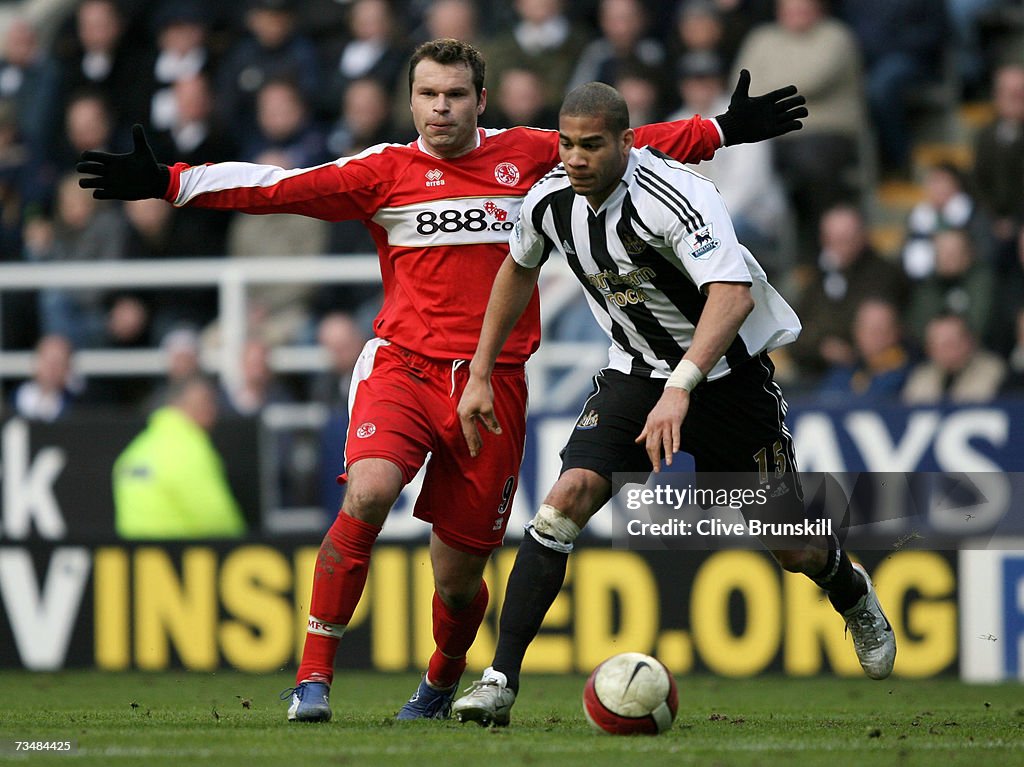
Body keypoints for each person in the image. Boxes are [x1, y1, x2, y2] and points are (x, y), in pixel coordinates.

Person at [77, 38, 806, 724]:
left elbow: (631, 148)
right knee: (368, 489)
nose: (441, 107)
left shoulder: (531, 157)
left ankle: (442, 673)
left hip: (494, 385)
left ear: (480, 99)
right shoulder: (382, 170)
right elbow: (278, 187)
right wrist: (172, 182)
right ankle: (312, 677)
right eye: (428, 93)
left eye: (455, 93)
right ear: (413, 98)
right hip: (403, 364)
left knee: (458, 577)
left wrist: (721, 130)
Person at [451, 82, 894, 727]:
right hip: (634, 376)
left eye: (592, 145)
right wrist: (482, 370)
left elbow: (732, 296)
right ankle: (499, 681)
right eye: (566, 143)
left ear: (628, 142)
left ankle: (851, 592)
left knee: (791, 547)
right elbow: (518, 268)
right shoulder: (548, 203)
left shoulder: (680, 196)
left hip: (727, 380)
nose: (574, 158)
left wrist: (681, 388)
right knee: (565, 499)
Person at [113, 375, 247, 539]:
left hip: (132, 558)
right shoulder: (190, 449)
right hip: (180, 557)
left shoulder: (135, 451)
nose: (213, 410)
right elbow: (216, 518)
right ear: (187, 405)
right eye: (208, 402)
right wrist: (243, 544)